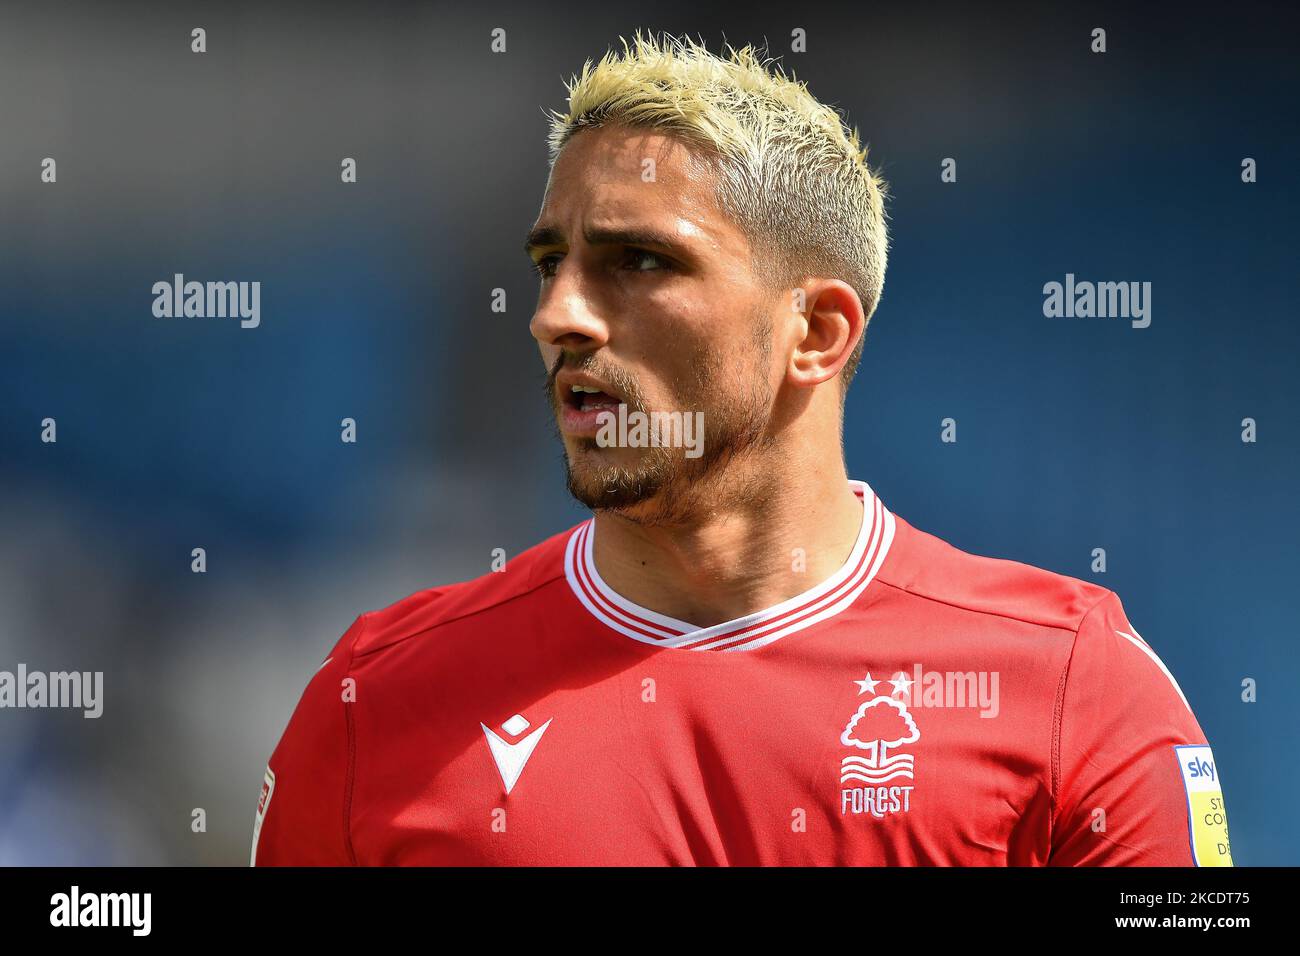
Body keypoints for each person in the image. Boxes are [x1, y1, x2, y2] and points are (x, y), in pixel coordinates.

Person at [252, 32, 1231, 866]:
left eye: (640, 262)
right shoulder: (376, 697)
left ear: (814, 334)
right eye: (552, 264)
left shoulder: (1073, 690)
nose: (557, 315)